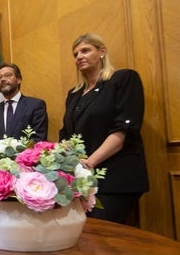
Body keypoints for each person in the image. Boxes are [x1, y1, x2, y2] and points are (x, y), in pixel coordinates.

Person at [59, 33, 149, 225]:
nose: (79, 57)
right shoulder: (74, 95)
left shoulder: (123, 79)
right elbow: (66, 132)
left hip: (116, 178)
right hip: (83, 179)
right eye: (75, 54)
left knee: (101, 239)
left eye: (85, 50)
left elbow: (125, 129)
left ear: (101, 52)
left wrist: (89, 163)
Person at [0, 62, 48, 146]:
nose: (3, 79)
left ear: (19, 80)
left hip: (26, 158)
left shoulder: (35, 105)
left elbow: (39, 139)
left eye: (8, 75)